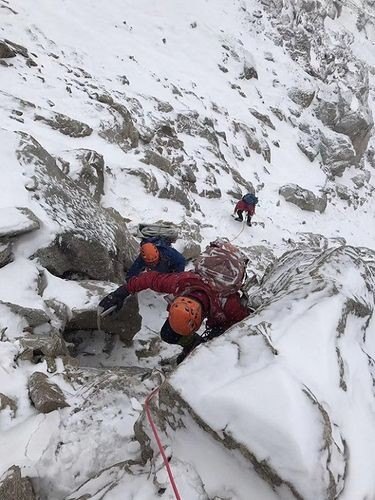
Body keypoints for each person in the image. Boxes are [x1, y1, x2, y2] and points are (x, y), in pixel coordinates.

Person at [98, 269, 251, 364]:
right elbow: (149, 279)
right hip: (211, 309)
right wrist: (120, 293)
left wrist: (219, 335)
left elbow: (245, 323)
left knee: (209, 351)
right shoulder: (182, 283)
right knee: (168, 333)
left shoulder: (228, 304)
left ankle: (198, 350)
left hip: (223, 322)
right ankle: (192, 344)